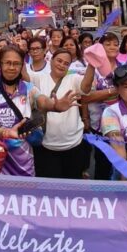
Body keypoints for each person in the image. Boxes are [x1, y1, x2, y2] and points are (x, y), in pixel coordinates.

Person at [0, 41, 77, 176]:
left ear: (22, 66)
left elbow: (43, 101)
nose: (11, 67)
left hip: (22, 162)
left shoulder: (28, 88)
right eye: (7, 63)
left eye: (16, 64)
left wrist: (55, 106)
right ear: (0, 63)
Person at [32, 47, 86, 179]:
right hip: (45, 146)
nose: (62, 65)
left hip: (74, 145)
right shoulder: (38, 78)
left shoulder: (73, 79)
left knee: (72, 184)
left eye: (66, 63)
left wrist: (93, 66)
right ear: (51, 60)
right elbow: (22, 75)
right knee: (49, 186)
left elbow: (86, 86)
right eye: (59, 61)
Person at [81, 30, 122, 180]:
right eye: (108, 44)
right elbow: (85, 96)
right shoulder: (93, 69)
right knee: (102, 163)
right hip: (98, 125)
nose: (112, 47)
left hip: (121, 125)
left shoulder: (124, 67)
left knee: (120, 162)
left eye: (115, 44)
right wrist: (113, 91)